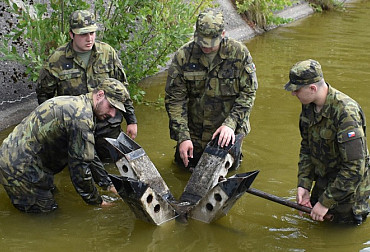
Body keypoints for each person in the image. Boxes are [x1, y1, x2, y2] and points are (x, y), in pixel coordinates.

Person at [0, 78, 130, 213]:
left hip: (20, 157)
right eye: (111, 106)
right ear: (100, 95)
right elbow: (79, 168)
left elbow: (88, 153)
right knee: (47, 216)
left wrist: (107, 184)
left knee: (52, 195)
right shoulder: (81, 119)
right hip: (20, 168)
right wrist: (97, 202)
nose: (112, 114)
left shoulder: (79, 104)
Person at [36, 10, 137, 160]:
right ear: (71, 34)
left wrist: (131, 120)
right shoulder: (57, 59)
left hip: (107, 126)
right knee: (77, 168)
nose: (89, 39)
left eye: (92, 33)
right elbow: (44, 94)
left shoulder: (107, 53)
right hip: (75, 127)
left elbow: (122, 89)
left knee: (114, 164)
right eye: (83, 34)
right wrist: (54, 127)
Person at [165, 10, 258, 171]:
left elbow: (248, 93)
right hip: (193, 133)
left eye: (211, 42)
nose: (206, 47)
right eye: (202, 42)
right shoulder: (183, 56)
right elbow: (175, 100)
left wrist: (230, 124)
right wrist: (183, 137)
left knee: (223, 181)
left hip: (227, 133)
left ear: (223, 34)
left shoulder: (239, 54)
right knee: (182, 173)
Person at [284, 59, 370, 224]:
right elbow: (307, 147)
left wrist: (325, 202)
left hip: (348, 196)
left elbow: (354, 169)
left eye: (297, 90)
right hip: (324, 183)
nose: (293, 94)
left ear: (313, 88)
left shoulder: (346, 114)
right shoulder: (309, 105)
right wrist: (304, 184)